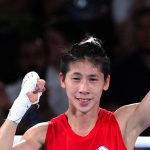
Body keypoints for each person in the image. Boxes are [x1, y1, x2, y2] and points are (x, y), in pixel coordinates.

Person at [0, 36, 150, 150]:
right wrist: (19, 107)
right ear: (63, 80)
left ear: (106, 82)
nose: (83, 88)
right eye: (76, 78)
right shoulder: (43, 133)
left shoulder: (123, 123)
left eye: (92, 79)